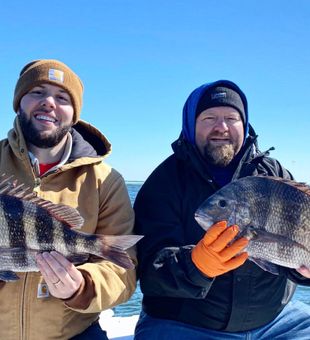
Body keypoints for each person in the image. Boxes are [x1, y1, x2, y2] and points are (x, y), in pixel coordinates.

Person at [133, 80, 310, 339]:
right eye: (209, 117)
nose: (221, 127)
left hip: (278, 321)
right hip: (185, 324)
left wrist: (301, 270)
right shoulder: (165, 182)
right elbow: (148, 271)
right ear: (191, 125)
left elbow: (290, 251)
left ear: (244, 124)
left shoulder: (273, 174)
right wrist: (197, 265)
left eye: (231, 117)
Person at [0, 59, 137, 339]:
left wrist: (81, 288)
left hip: (74, 333)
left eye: (62, 97)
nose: (49, 102)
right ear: (19, 102)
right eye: (37, 92)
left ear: (74, 114)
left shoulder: (105, 181)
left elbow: (124, 274)